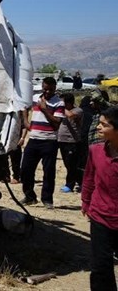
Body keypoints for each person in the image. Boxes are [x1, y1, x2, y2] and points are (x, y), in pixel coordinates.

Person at [81, 106, 118, 291]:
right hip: (100, 217)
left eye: (104, 125)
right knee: (100, 267)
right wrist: (85, 202)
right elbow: (88, 177)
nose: (98, 128)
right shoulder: (95, 150)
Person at [19, 77, 64, 209]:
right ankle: (29, 196)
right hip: (34, 139)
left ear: (55, 88)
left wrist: (44, 109)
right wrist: (26, 121)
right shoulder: (35, 98)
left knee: (48, 172)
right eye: (45, 88)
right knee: (26, 169)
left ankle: (47, 199)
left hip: (49, 141)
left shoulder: (59, 103)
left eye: (50, 89)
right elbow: (24, 107)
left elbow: (56, 124)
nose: (47, 91)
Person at [57, 93, 83, 193]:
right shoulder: (62, 112)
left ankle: (70, 184)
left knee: (72, 164)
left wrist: (60, 106)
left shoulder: (78, 111)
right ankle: (80, 182)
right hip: (61, 141)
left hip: (72, 141)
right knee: (67, 164)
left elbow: (71, 116)